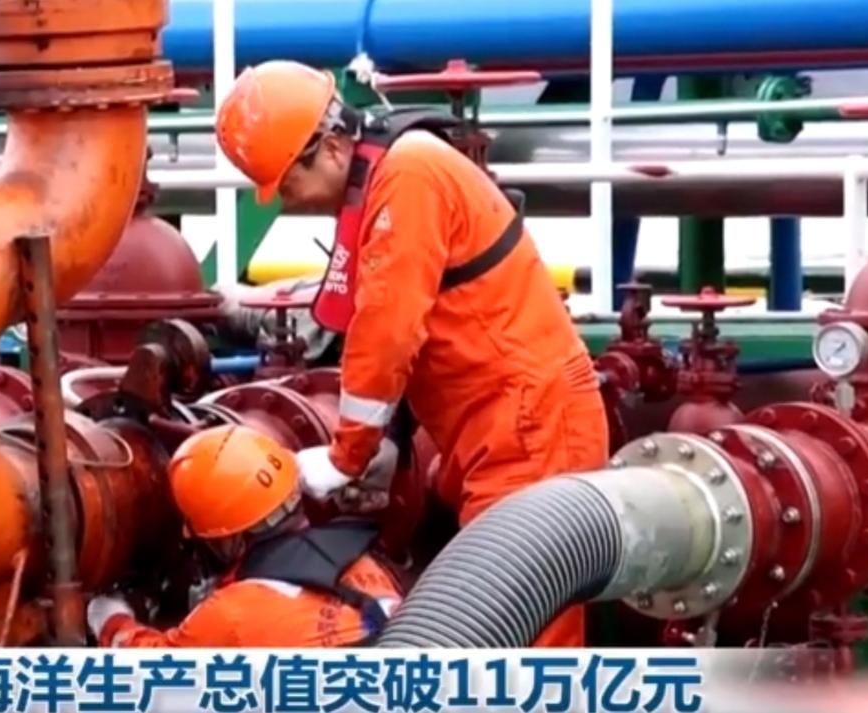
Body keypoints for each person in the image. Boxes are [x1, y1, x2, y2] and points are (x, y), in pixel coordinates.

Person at [214, 60, 608, 647]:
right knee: (506, 627)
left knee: (528, 637)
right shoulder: (393, 173)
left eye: (287, 185)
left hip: (529, 426)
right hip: (503, 424)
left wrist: (347, 455)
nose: (289, 203)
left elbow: (388, 328)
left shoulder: (408, 177)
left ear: (328, 148)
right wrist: (392, 438)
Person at [87, 425, 403, 647]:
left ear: (229, 538)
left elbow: (156, 672)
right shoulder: (368, 567)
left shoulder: (230, 616)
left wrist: (112, 620)